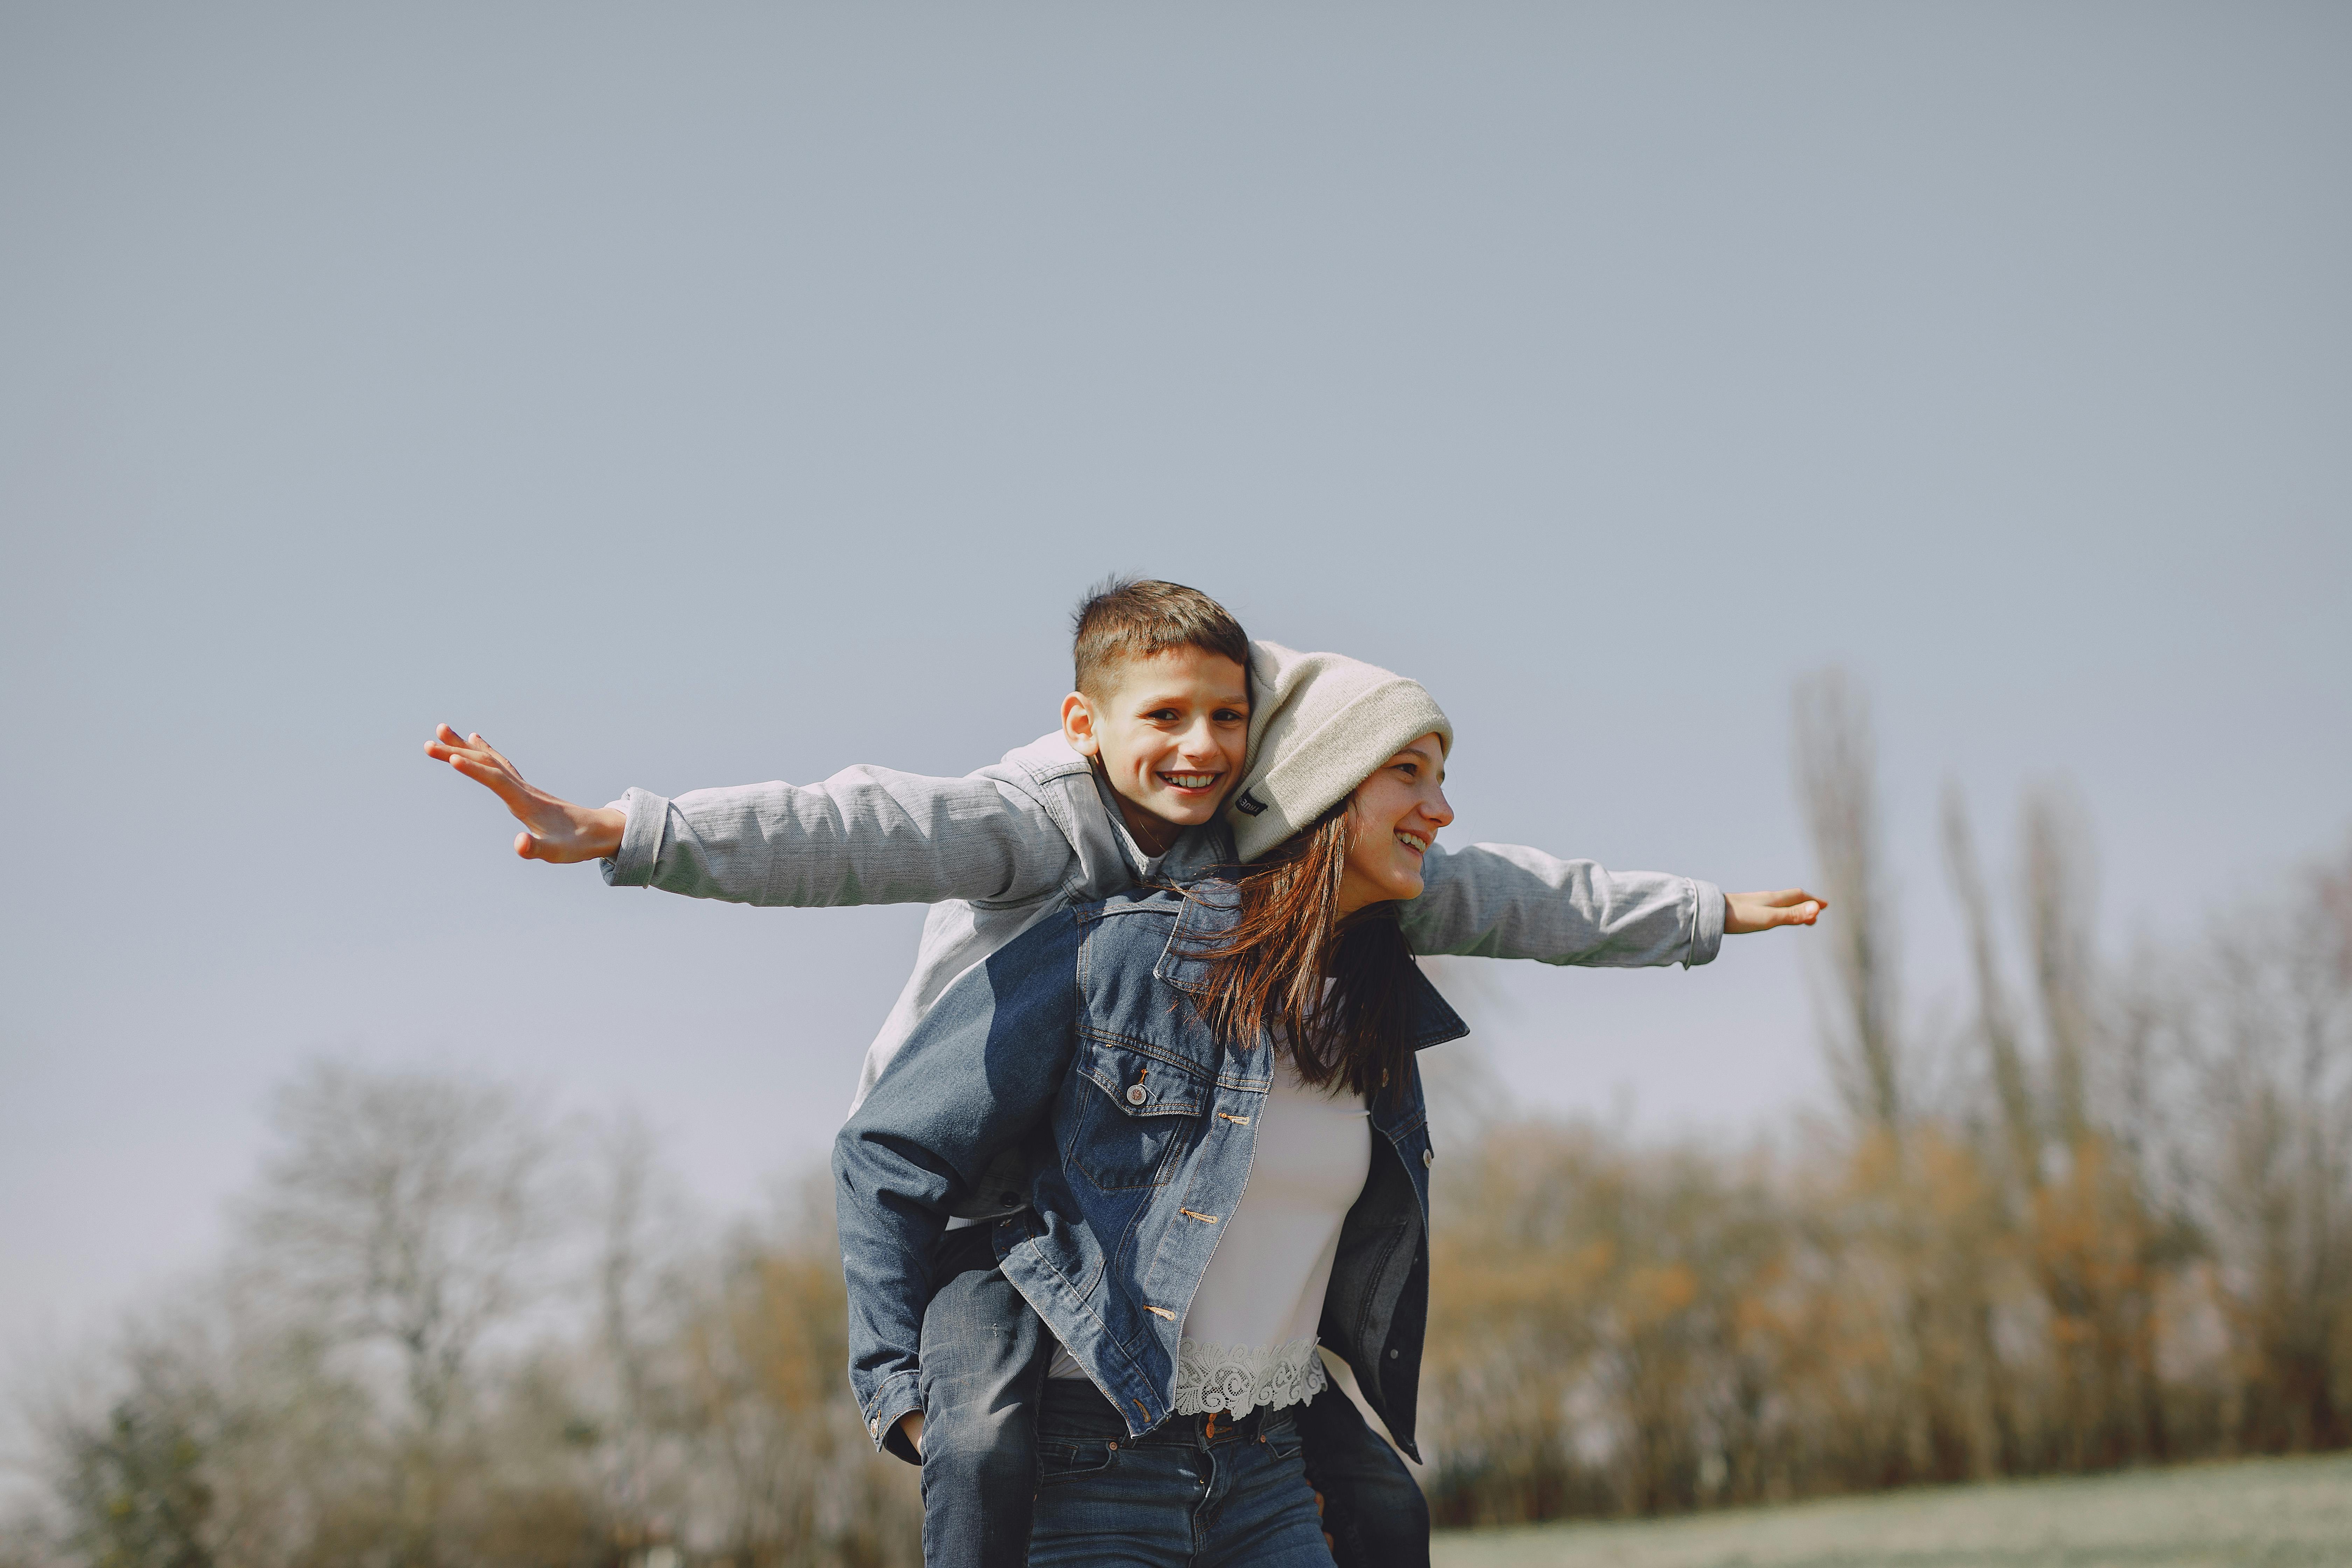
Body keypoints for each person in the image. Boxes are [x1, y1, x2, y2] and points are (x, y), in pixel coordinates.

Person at [427, 578, 1821, 1566]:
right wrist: (625, 828)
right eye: (1164, 719)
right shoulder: (1044, 835)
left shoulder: (1287, 892)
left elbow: (1501, 894)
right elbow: (855, 828)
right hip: (994, 1204)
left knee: (1386, 1503)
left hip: (1244, 1435)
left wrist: (1704, 913)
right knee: (970, 1436)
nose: (1199, 751)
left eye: (1228, 722)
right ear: (1091, 723)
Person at [834, 656, 1822, 1564]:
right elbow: (890, 1148)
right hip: (1092, 1468)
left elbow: (1523, 899)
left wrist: (1706, 914)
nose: (1441, 809)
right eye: (1410, 774)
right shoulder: (1122, 955)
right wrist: (900, 1396)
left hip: (1266, 1468)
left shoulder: (1368, 1013)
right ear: (1321, 786)